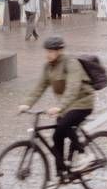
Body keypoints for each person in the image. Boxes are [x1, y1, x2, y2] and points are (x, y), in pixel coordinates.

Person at [17, 37, 95, 181]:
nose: (48, 54)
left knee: (63, 125)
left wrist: (59, 107)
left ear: (60, 51)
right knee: (56, 136)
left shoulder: (70, 63)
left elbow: (73, 88)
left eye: (51, 51)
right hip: (68, 105)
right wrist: (27, 104)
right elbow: (39, 87)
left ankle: (85, 154)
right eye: (47, 51)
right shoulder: (48, 67)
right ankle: (61, 174)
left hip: (83, 102)